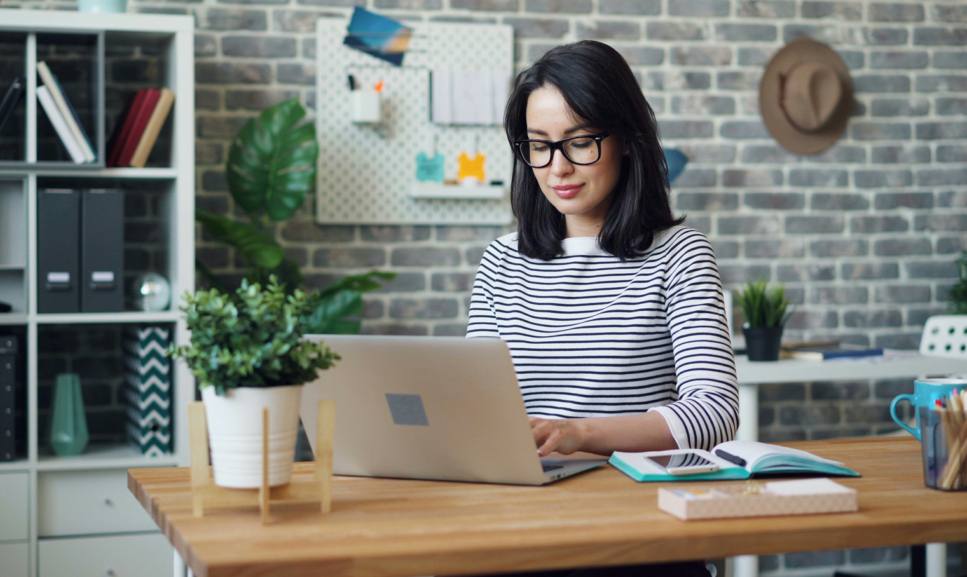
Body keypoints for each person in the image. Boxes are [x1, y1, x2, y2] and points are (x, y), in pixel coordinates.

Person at [466, 41, 737, 577]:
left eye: (581, 142)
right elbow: (478, 405)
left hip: (638, 532)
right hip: (519, 523)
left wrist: (581, 434)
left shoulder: (678, 252)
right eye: (538, 146)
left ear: (628, 141)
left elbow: (714, 413)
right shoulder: (501, 261)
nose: (558, 167)